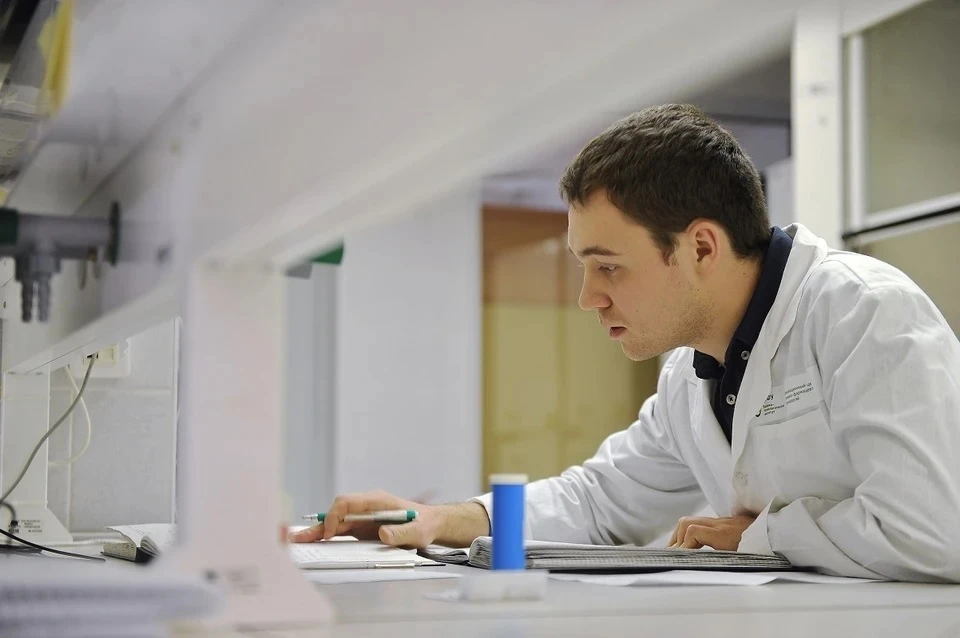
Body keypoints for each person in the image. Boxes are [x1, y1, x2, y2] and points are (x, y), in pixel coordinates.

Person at [290, 104, 960, 582]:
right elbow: (599, 501)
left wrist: (762, 535)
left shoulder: (861, 312)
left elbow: (934, 530)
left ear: (701, 247)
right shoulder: (689, 374)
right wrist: (441, 520)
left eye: (608, 267)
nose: (589, 298)